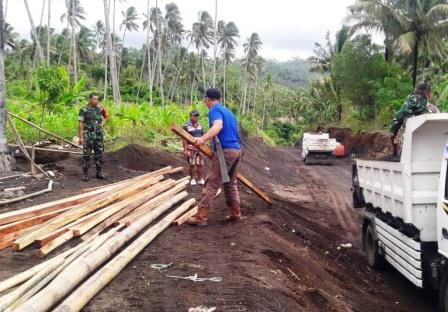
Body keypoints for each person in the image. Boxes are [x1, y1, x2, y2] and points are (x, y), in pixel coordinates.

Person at [187, 88, 242, 226]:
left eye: (205, 100)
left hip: (225, 151)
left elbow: (218, 126)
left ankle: (201, 217)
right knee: (230, 183)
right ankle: (236, 213)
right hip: (236, 150)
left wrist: (203, 138)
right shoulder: (229, 112)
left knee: (211, 182)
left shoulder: (214, 111)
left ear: (207, 99)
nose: (205, 102)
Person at [390, 83, 439, 155]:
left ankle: (396, 152)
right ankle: (396, 152)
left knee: (395, 135)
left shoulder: (425, 102)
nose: (429, 93)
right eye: (428, 91)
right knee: (395, 135)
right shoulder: (413, 99)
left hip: (410, 125)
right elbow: (404, 112)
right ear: (424, 91)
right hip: (406, 123)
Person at [78, 93, 109, 182]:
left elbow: (106, 116)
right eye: (95, 99)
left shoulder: (100, 108)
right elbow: (80, 123)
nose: (96, 101)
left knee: (98, 154)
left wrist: (102, 123)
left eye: (97, 99)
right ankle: (85, 174)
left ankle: (99, 173)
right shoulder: (84, 109)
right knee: (86, 155)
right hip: (88, 135)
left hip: (98, 135)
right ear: (90, 99)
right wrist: (81, 137)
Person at [182, 110, 205, 185]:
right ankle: (192, 179)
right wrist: (185, 150)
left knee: (200, 164)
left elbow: (202, 136)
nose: (196, 117)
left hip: (200, 148)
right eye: (194, 116)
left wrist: (203, 146)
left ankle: (200, 179)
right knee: (192, 164)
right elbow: (184, 139)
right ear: (190, 116)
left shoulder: (200, 125)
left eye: (197, 116)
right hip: (191, 148)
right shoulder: (186, 126)